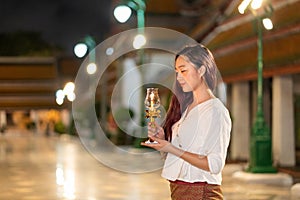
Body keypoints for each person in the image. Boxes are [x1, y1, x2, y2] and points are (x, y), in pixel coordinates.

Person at [141, 44, 232, 200]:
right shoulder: (187, 107)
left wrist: (171, 147)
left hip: (201, 193)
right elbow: (181, 155)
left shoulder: (216, 111)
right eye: (177, 72)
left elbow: (215, 164)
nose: (178, 78)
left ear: (201, 70)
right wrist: (163, 141)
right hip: (179, 192)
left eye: (183, 71)